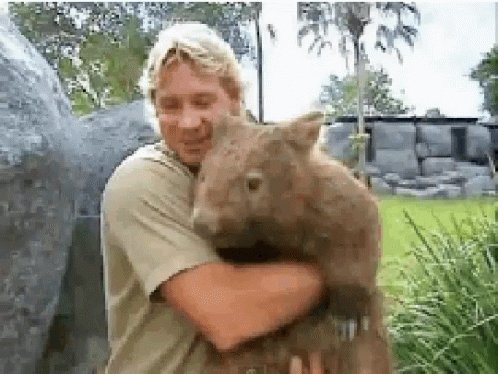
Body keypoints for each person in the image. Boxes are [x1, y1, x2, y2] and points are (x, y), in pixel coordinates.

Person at [100, 22, 326, 374]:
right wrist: (340, 272)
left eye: (203, 101)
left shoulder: (256, 172)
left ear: (235, 100)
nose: (188, 122)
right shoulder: (143, 181)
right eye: (170, 106)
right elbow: (228, 314)